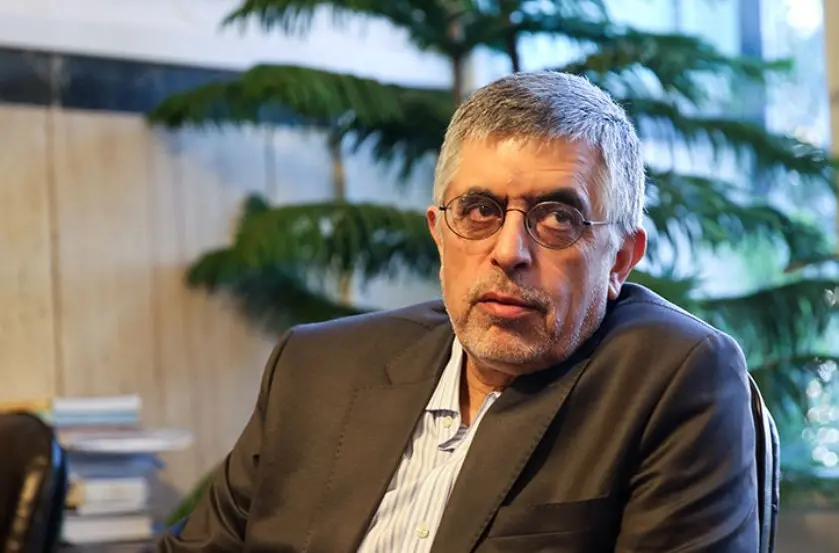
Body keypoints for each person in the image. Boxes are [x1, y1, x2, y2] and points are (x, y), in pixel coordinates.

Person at [156, 71, 758, 553]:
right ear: (440, 233)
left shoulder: (673, 380)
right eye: (479, 211)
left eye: (557, 217)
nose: (509, 251)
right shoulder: (315, 367)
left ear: (621, 258)